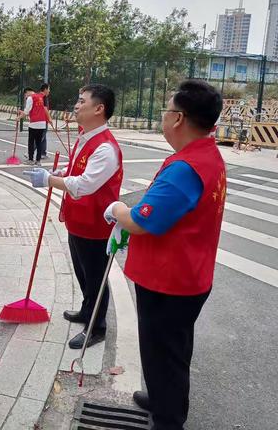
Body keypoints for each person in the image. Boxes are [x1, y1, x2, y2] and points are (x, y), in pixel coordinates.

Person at [104, 80, 224, 430]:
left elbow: (145, 221)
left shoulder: (186, 168)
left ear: (179, 118)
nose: (163, 116)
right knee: (171, 350)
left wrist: (116, 210)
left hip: (170, 280)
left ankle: (168, 419)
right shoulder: (206, 154)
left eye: (166, 109)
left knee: (164, 353)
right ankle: (161, 398)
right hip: (187, 273)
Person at [23, 84, 123, 349]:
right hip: (78, 221)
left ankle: (96, 326)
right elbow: (76, 168)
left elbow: (86, 184)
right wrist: (58, 171)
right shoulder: (86, 137)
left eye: (82, 101)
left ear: (99, 109)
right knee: (82, 272)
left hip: (95, 226)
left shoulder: (106, 148)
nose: (76, 106)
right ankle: (86, 310)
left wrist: (50, 180)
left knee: (95, 277)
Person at [18, 87, 51, 166]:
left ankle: (30, 159)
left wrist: (18, 117)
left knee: (31, 142)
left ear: (27, 92)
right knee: (39, 143)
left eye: (25, 95)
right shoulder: (41, 96)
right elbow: (41, 109)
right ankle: (38, 160)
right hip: (42, 123)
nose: (25, 97)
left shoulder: (30, 98)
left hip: (34, 123)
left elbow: (27, 111)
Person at [39, 83, 51, 159]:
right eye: (49, 89)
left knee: (44, 137)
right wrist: (49, 118)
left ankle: (43, 153)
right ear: (45, 89)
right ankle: (30, 152)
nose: (49, 91)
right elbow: (45, 108)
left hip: (38, 119)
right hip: (43, 119)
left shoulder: (37, 96)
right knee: (41, 136)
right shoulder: (44, 97)